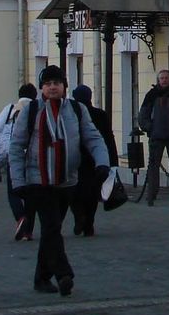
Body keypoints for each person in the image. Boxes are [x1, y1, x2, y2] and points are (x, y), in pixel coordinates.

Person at [8, 66, 109, 295]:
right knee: (52, 227)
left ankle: (41, 279)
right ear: (42, 88)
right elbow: (16, 147)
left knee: (51, 231)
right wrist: (18, 182)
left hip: (67, 180)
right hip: (38, 180)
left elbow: (93, 138)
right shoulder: (31, 110)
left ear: (64, 86)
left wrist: (102, 163)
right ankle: (64, 274)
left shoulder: (76, 109)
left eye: (57, 83)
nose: (52, 87)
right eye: (48, 83)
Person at [70, 84, 118, 237]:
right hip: (96, 160)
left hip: (76, 159)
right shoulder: (100, 114)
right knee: (92, 193)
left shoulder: (71, 114)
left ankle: (79, 217)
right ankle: (89, 224)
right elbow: (109, 138)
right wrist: (112, 160)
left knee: (73, 192)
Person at [137, 69, 169, 205]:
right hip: (156, 136)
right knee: (153, 167)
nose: (164, 80)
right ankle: (152, 193)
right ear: (158, 80)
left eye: (166, 78)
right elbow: (143, 115)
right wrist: (149, 128)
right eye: (162, 78)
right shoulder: (151, 94)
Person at [0, 84, 37, 241]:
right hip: (33, 156)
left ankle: (20, 217)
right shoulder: (37, 108)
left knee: (13, 190)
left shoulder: (11, 108)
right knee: (31, 192)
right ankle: (28, 230)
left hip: (15, 154)